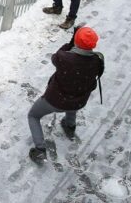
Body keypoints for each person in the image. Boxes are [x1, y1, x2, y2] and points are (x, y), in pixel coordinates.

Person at [28, 26, 104, 163]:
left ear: (76, 41)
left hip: (54, 100)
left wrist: (70, 43)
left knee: (33, 115)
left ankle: (39, 150)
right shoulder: (97, 61)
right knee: (73, 97)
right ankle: (70, 126)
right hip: (78, 100)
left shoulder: (64, 58)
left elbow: (55, 57)